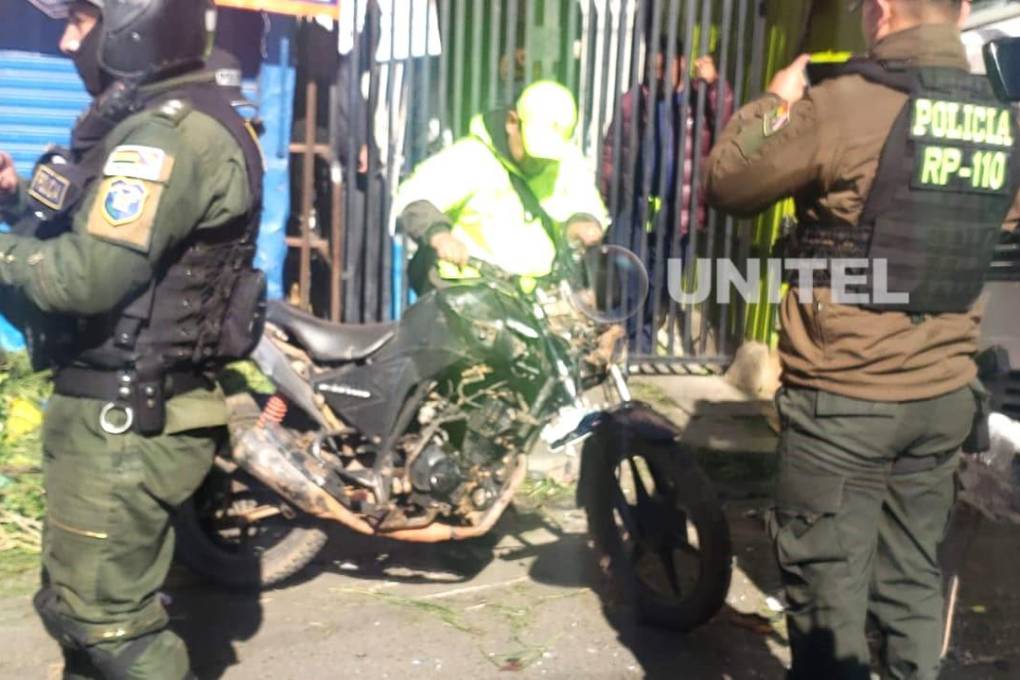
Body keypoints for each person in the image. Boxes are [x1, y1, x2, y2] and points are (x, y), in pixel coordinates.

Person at [706, 1, 1019, 678]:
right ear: (962, 11)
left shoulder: (844, 104)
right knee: (912, 584)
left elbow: (728, 184)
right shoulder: (1003, 118)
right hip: (941, 399)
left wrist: (773, 101)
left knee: (829, 603)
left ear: (878, 12)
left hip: (845, 403)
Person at [0, 0, 265, 677]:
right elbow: (97, 237)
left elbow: (85, 278)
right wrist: (11, 200)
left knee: (113, 630)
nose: (64, 41)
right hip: (114, 411)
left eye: (79, 22)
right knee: (77, 613)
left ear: (133, 22)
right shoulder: (156, 125)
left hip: (124, 421)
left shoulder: (167, 138)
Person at [395, 80, 608, 290]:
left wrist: (583, 224)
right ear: (512, 123)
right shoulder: (471, 156)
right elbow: (413, 197)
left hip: (537, 292)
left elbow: (587, 203)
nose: (539, 162)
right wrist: (440, 236)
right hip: (473, 290)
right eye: (534, 152)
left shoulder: (565, 159)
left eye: (548, 156)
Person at [601, 35, 733, 353]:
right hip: (635, 207)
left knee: (663, 281)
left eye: (664, 67)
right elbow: (611, 151)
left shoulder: (698, 100)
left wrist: (715, 85)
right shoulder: (634, 101)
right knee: (629, 278)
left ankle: (641, 344)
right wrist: (608, 198)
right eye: (653, 68)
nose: (657, 74)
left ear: (682, 64)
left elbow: (728, 125)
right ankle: (626, 347)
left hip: (680, 212)